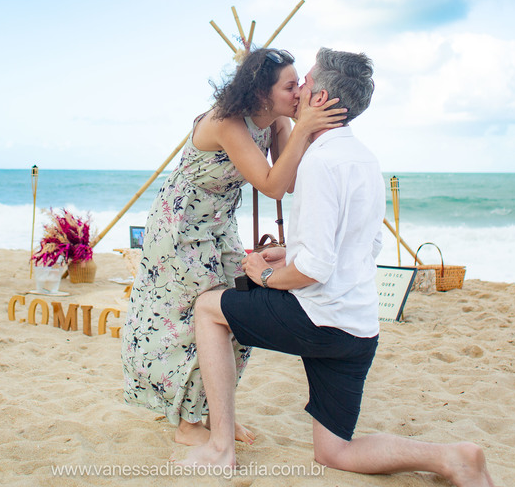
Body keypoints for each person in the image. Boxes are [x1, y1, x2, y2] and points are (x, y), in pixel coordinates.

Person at [177, 49, 498, 487]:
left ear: (322, 97)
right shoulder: (364, 157)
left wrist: (266, 275)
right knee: (334, 452)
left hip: (318, 322)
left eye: (304, 82)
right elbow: (360, 243)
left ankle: (220, 446)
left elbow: (314, 269)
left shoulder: (320, 161)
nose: (299, 90)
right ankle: (452, 458)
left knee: (208, 309)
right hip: (359, 330)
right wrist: (288, 251)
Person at [121, 47, 347, 447]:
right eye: (290, 87)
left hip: (219, 227)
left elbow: (289, 179)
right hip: (180, 230)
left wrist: (301, 127)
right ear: (262, 93)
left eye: (299, 85)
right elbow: (272, 184)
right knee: (189, 322)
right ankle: (189, 423)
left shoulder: (275, 120)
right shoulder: (226, 122)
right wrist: (306, 126)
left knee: (235, 317)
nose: (299, 94)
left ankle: (216, 415)